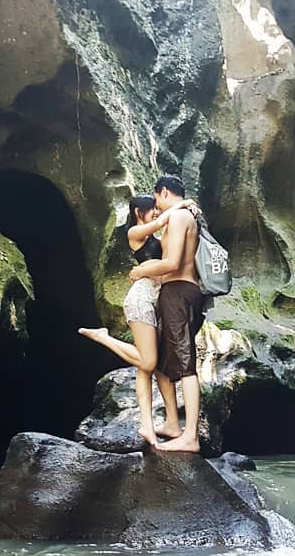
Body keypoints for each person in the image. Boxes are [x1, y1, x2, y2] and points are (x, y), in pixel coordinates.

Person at [78, 193, 194, 447]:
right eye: (150, 209)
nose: (155, 212)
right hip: (141, 300)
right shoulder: (136, 233)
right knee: (148, 360)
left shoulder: (156, 236)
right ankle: (103, 337)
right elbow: (159, 224)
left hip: (158, 302)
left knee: (154, 368)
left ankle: (155, 427)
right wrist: (179, 206)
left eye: (156, 208)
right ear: (138, 213)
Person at [128, 175, 204, 453]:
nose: (157, 207)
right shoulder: (184, 215)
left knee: (185, 364)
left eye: (158, 199)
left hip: (178, 291)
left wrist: (141, 271)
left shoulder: (180, 217)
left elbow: (171, 263)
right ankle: (173, 424)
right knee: (162, 363)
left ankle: (190, 436)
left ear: (162, 193)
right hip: (175, 293)